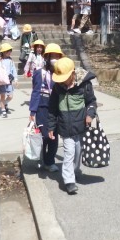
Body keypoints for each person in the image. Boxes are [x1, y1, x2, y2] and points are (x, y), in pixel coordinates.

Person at [47, 57, 97, 195]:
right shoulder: (57, 87)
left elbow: (91, 102)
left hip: (81, 126)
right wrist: (51, 127)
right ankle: (69, 181)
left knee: (78, 152)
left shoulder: (84, 85)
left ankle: (75, 171)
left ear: (72, 74)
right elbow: (52, 108)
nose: (62, 81)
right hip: (65, 127)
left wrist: (90, 114)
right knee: (69, 153)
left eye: (64, 78)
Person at [29, 43, 64, 172]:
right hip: (42, 108)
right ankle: (42, 158)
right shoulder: (40, 73)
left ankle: (50, 161)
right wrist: (33, 111)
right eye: (52, 56)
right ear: (47, 58)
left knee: (54, 136)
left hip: (56, 108)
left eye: (57, 56)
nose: (55, 59)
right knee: (44, 136)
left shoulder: (61, 74)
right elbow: (35, 92)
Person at [0, 42, 17, 117]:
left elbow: (13, 69)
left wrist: (16, 78)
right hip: (2, 80)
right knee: (2, 96)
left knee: (10, 96)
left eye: (10, 51)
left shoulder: (11, 60)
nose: (9, 52)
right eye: (7, 51)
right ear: (3, 52)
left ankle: (5, 103)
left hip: (9, 80)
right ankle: (3, 111)